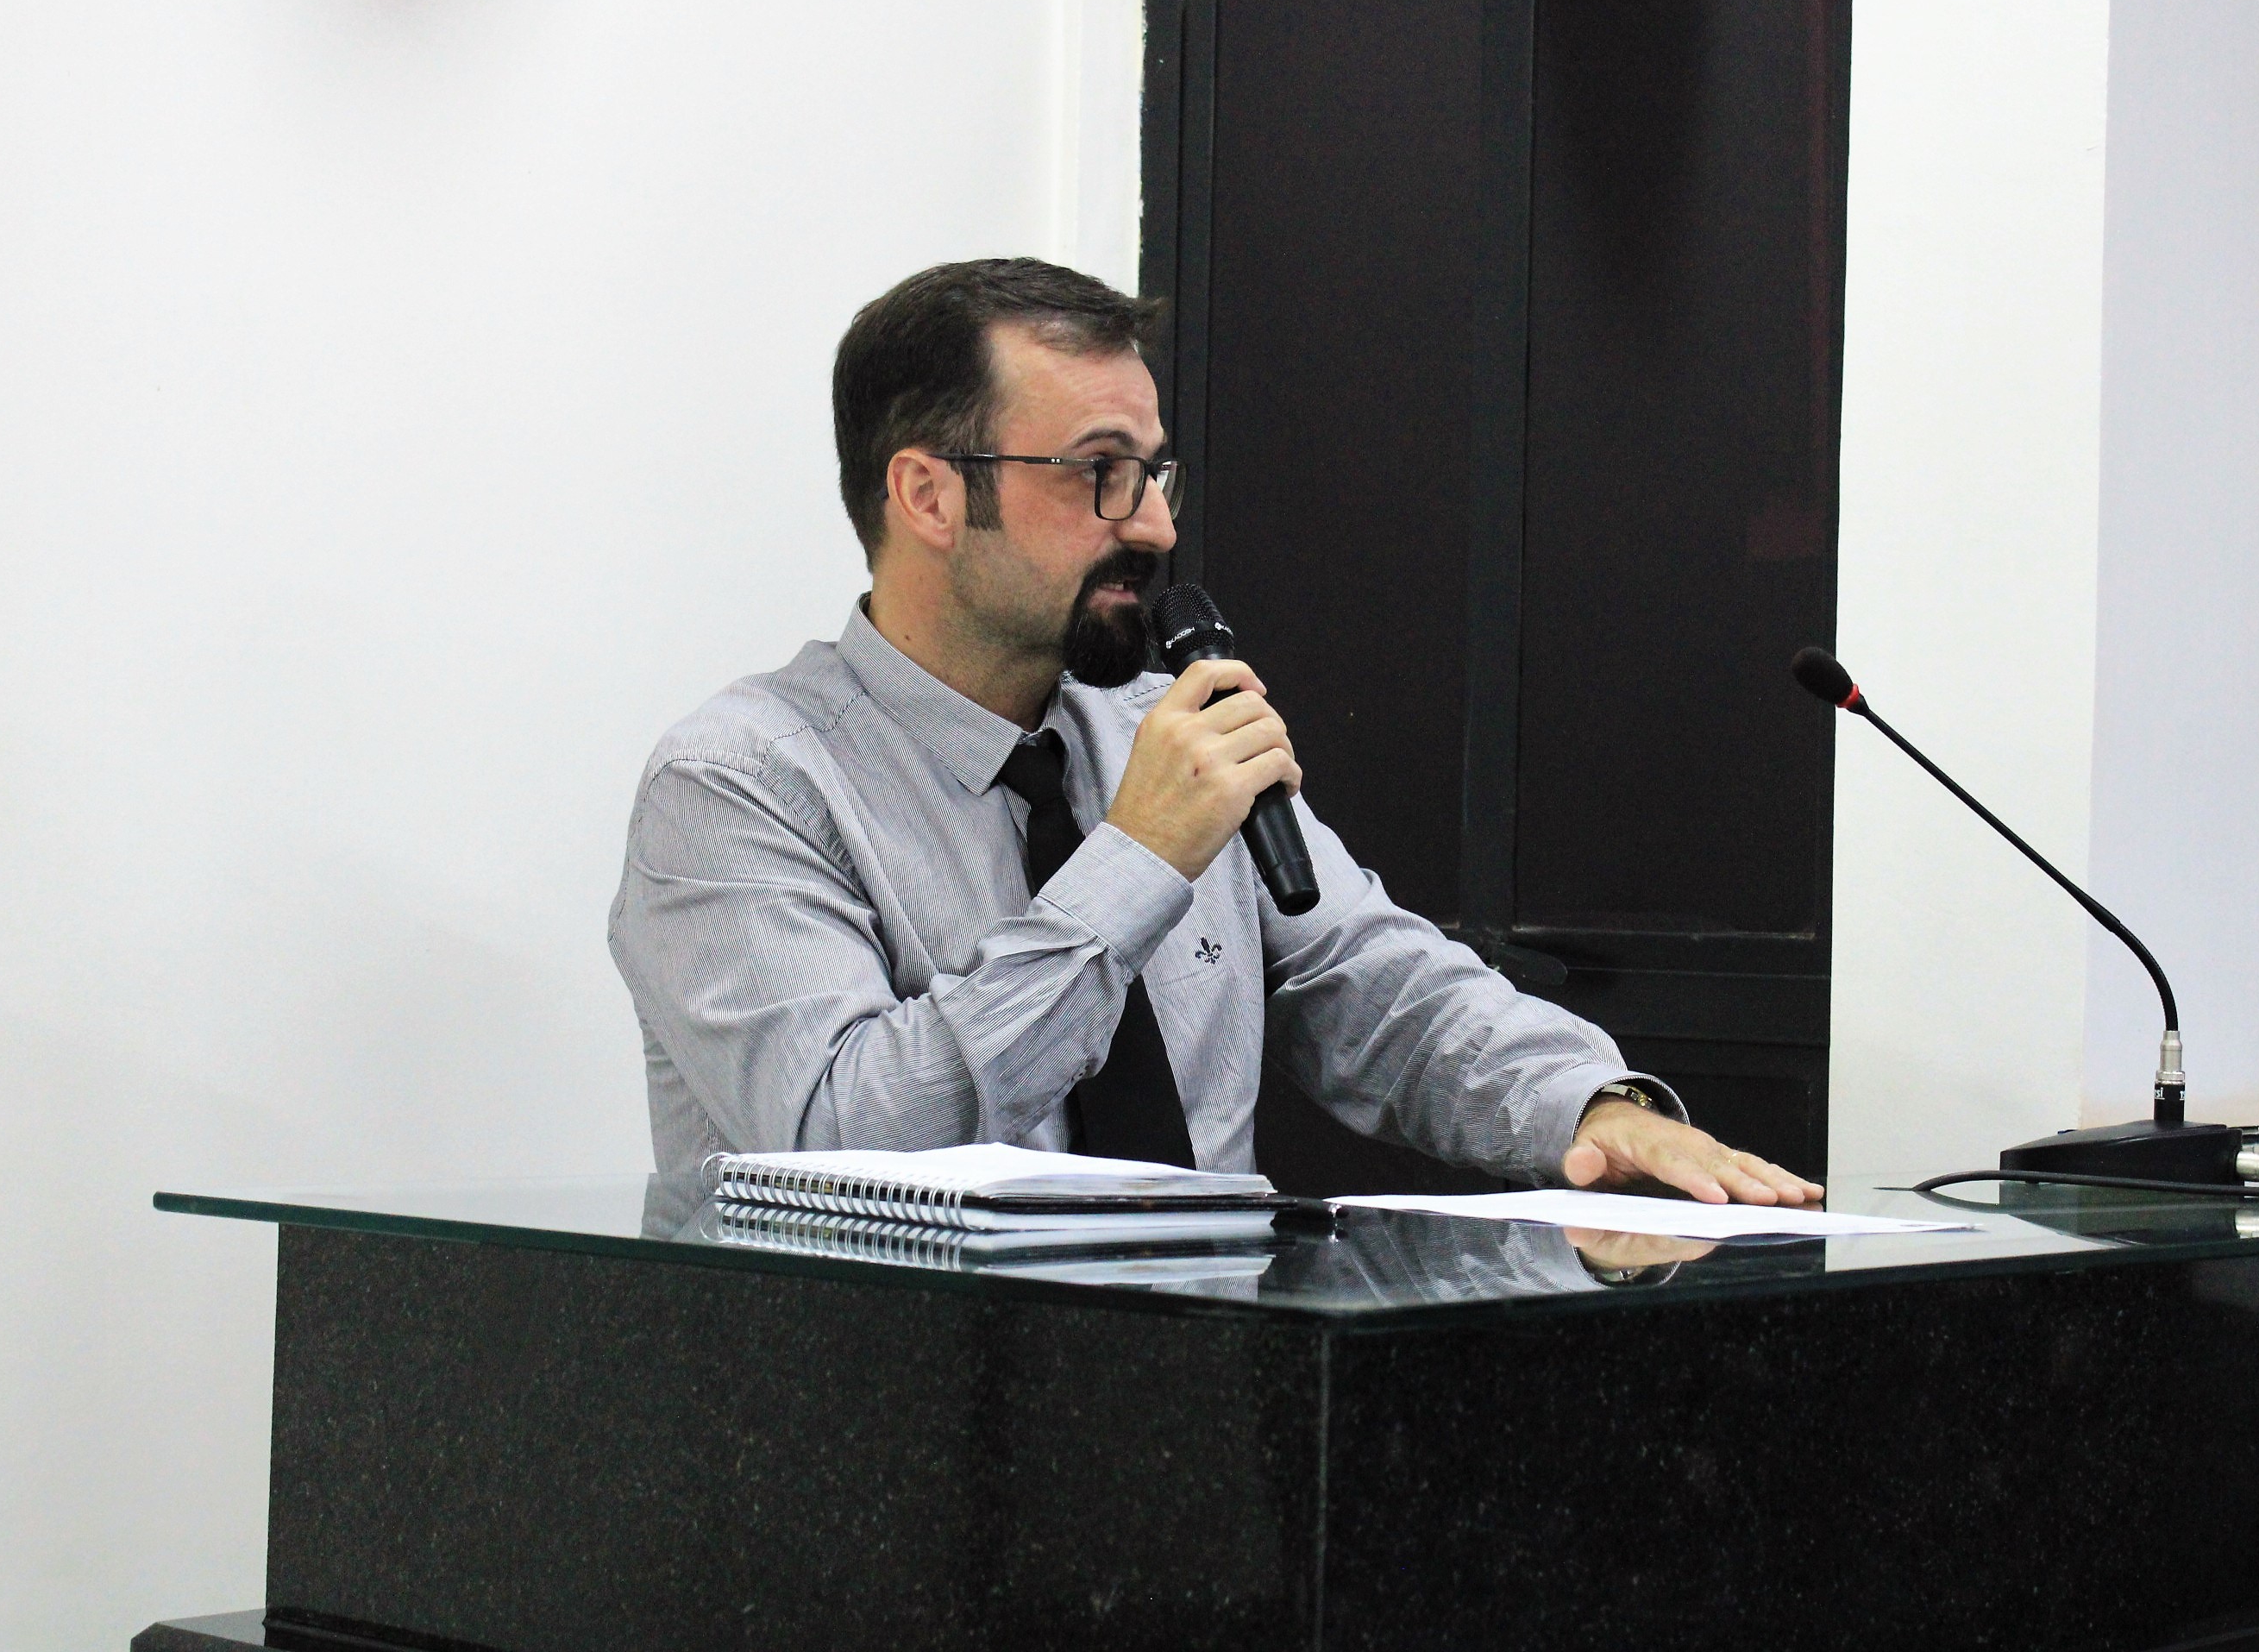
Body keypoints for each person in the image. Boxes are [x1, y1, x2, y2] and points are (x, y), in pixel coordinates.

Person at [608, 257, 1820, 1210]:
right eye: (1099, 472)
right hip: (890, 1419)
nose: (1152, 526)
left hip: (1202, 1384)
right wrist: (1135, 863)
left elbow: (1370, 981)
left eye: (1155, 473)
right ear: (928, 494)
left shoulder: (1159, 729)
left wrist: (1590, 1106)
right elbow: (843, 1140)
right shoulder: (738, 785)